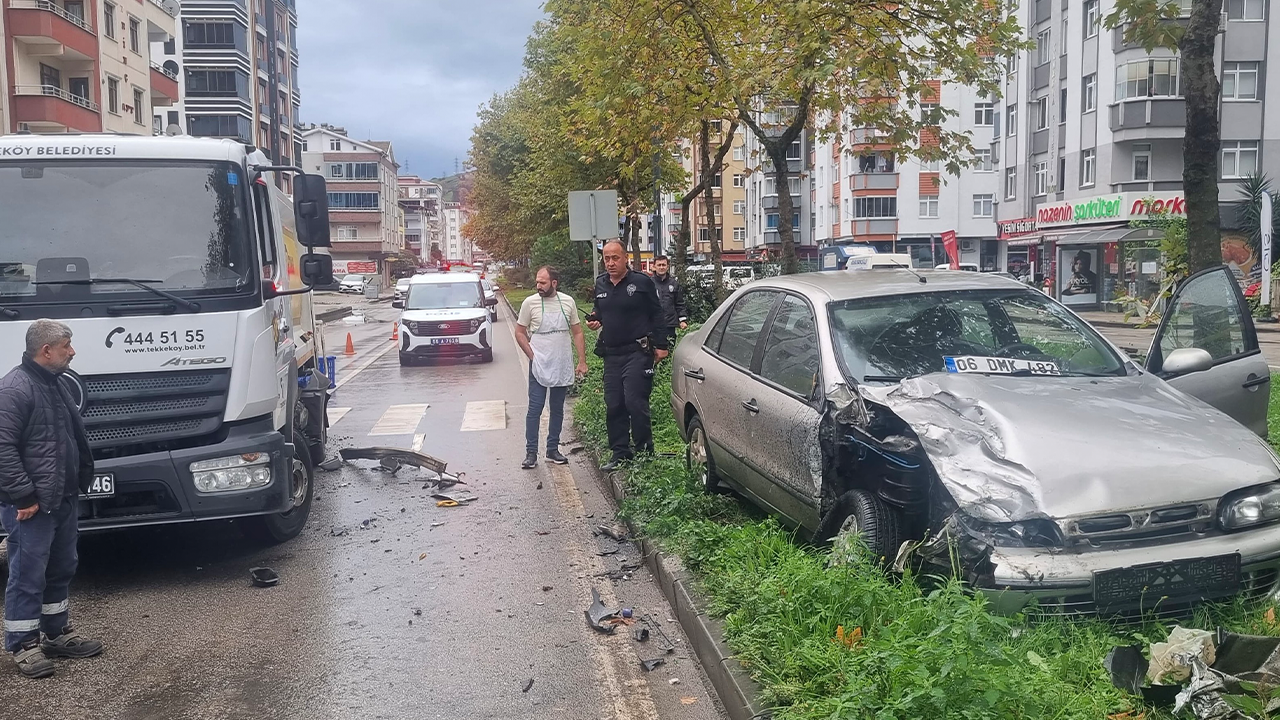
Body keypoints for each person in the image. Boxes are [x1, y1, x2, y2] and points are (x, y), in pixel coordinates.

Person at [0, 320, 102, 679]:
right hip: (32, 505)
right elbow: (3, 447)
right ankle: (23, 644)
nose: (71, 351)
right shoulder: (15, 389)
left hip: (61, 499)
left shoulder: (53, 384)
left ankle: (55, 632)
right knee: (28, 573)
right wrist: (23, 495)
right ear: (46, 351)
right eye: (66, 345)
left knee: (61, 567)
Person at [587, 241, 668, 471]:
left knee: (634, 401)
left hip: (638, 352)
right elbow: (600, 310)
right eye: (607, 258)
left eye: (615, 258)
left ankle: (644, 454)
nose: (610, 263)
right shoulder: (601, 283)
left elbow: (657, 314)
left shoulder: (641, 282)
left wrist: (661, 345)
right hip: (612, 355)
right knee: (614, 404)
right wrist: (595, 318)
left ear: (625, 259)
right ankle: (620, 453)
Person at [515, 266, 589, 470]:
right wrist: (531, 355)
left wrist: (582, 361)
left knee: (557, 408)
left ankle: (553, 449)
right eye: (537, 282)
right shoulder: (530, 303)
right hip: (539, 362)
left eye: (543, 283)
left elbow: (577, 332)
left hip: (561, 361)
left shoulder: (568, 302)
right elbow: (520, 332)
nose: (538, 286)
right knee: (535, 407)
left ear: (554, 283)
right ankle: (531, 453)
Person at [649, 256, 688, 347]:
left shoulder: (674, 283)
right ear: (654, 267)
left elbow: (679, 303)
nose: (661, 267)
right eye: (659, 265)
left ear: (667, 267)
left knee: (669, 349)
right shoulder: (649, 283)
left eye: (664, 265)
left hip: (670, 324)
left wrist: (683, 320)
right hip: (653, 325)